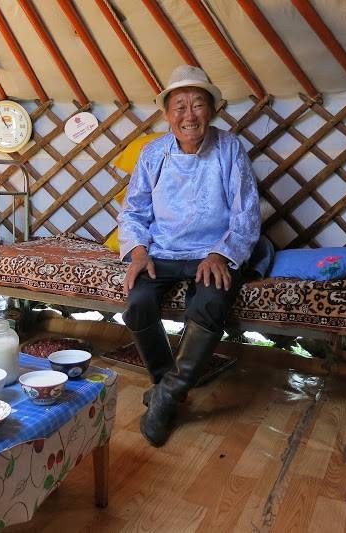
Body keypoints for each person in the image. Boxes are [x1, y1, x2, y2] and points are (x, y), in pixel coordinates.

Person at [117, 64, 262, 447]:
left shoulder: (230, 149)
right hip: (161, 250)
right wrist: (138, 251)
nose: (189, 115)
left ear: (212, 111)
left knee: (211, 303)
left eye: (198, 105)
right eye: (179, 107)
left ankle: (164, 397)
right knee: (138, 301)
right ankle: (169, 386)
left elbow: (245, 213)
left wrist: (220, 254)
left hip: (211, 252)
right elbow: (133, 211)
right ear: (166, 114)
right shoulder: (152, 154)